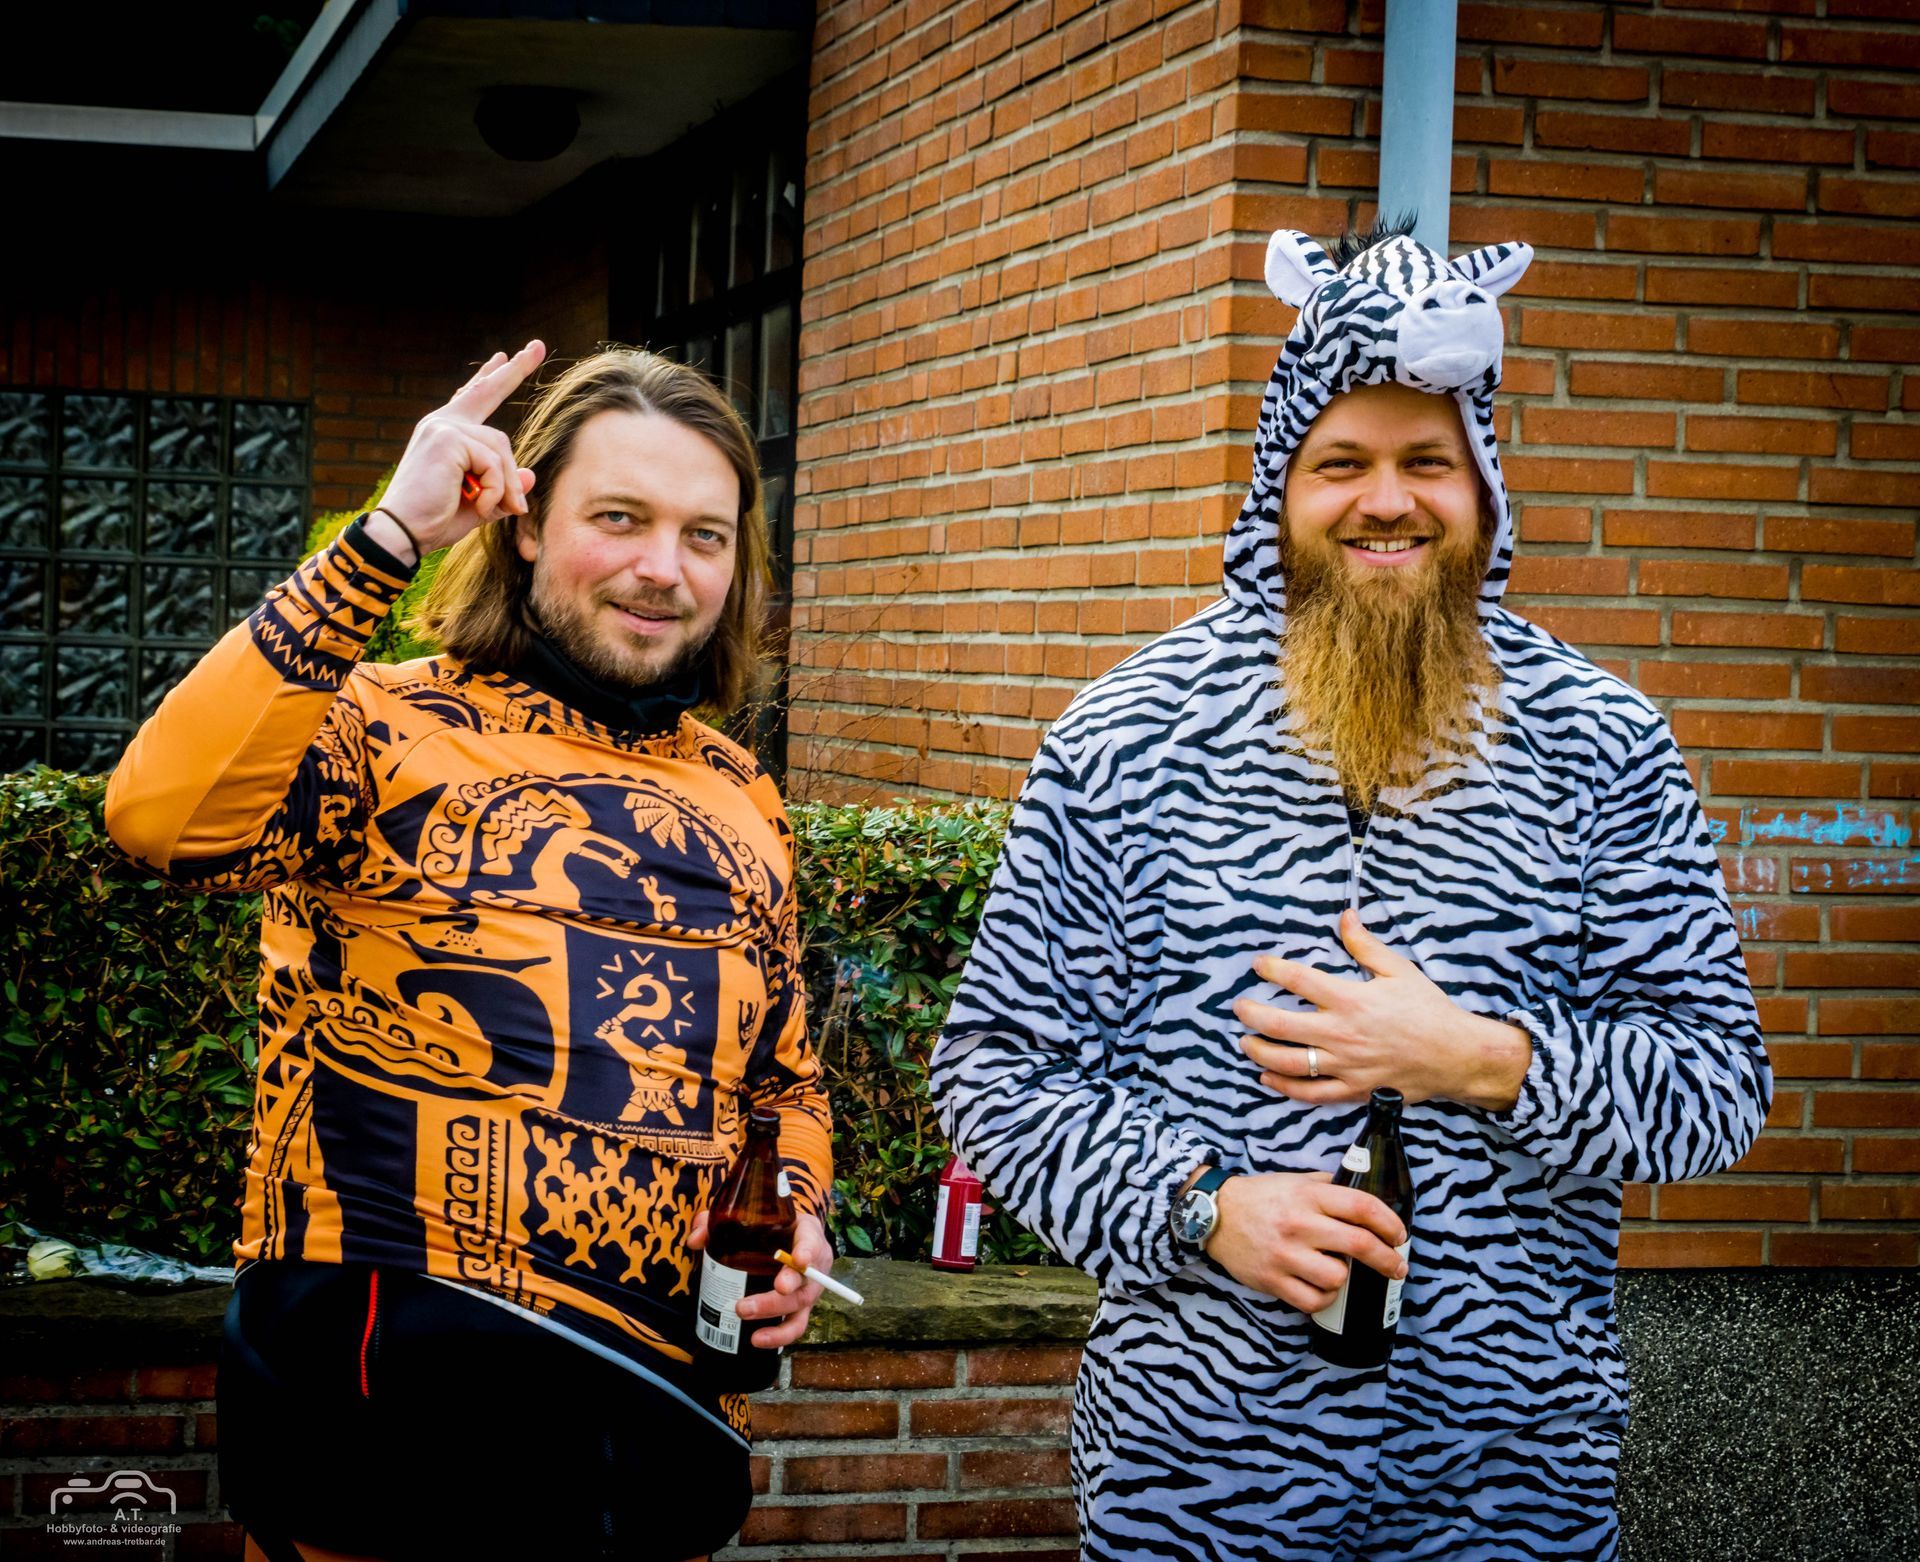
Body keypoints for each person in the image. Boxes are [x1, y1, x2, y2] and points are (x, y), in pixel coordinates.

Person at [929, 224, 1771, 1561]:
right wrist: (1206, 1208)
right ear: (1283, 480)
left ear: (1482, 481)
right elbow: (995, 1073)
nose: (1388, 500)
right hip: (1197, 1482)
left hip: (1511, 1482)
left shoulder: (1605, 745)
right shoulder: (1127, 738)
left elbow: (1716, 1084)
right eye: (1344, 463)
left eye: (1426, 460)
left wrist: (1482, 1058)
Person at [106, 343, 833, 1562]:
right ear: (527, 523)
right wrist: (387, 534)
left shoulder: (744, 793)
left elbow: (783, 1084)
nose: (664, 568)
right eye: (620, 517)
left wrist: (796, 1215)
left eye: (704, 535)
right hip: (385, 1428)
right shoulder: (382, 723)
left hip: (652, 1441)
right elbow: (158, 819)